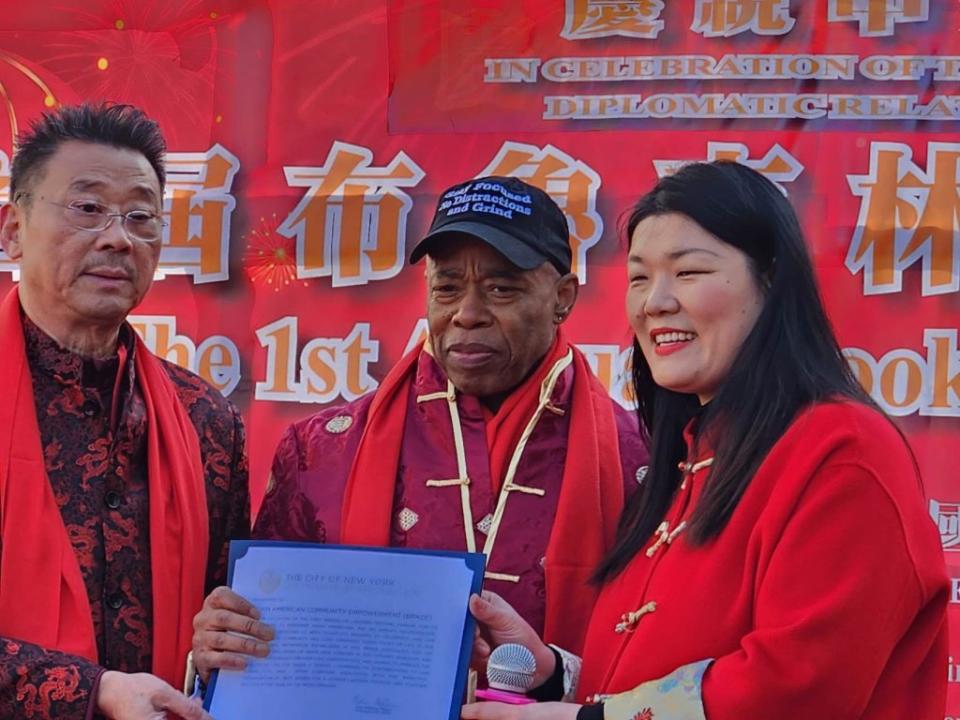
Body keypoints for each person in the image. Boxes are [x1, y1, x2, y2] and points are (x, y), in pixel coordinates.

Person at [460, 161, 949, 720]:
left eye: (687, 272)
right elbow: (658, 674)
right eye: (639, 278)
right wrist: (551, 677)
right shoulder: (686, 463)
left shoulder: (844, 451)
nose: (654, 302)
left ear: (770, 278)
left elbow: (800, 687)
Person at [190, 176, 649, 684]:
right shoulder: (321, 450)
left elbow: (659, 654)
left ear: (563, 297)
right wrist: (226, 639)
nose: (467, 314)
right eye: (447, 288)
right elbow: (266, 644)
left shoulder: (644, 458)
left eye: (501, 288)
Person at [0, 103, 250, 720]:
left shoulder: (205, 421)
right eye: (87, 208)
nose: (118, 237)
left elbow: (226, 612)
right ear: (11, 229)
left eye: (141, 216)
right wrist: (93, 692)